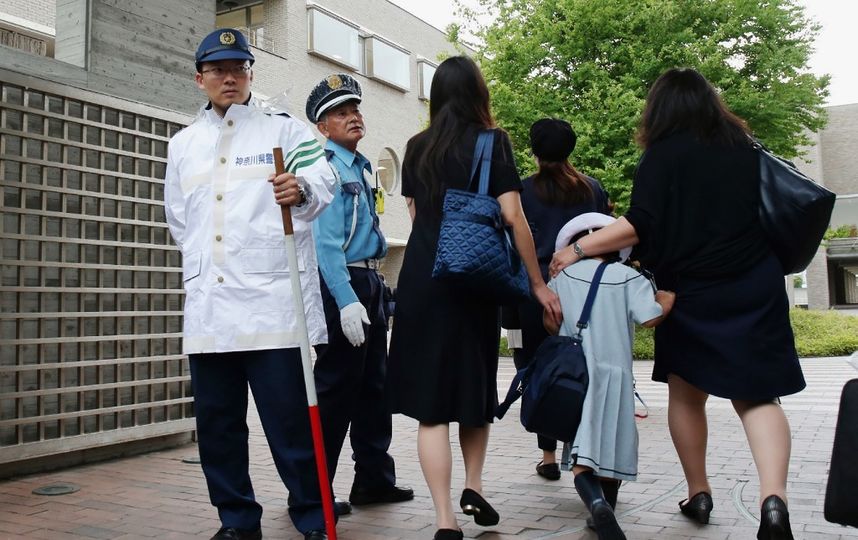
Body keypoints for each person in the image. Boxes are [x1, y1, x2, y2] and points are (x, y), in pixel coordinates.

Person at [549, 67, 806, 540]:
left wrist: (578, 249)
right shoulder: (745, 149)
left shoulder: (663, 155)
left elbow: (640, 223)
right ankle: (774, 502)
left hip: (690, 291)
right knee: (757, 397)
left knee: (687, 395)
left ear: (659, 110)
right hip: (754, 284)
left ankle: (699, 491)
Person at [163, 28, 337, 540]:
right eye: (218, 70)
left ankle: (312, 519)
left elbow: (320, 182)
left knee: (291, 428)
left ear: (250, 75)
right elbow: (181, 222)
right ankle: (237, 522)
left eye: (238, 68)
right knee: (217, 428)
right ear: (200, 79)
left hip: (273, 307)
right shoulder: (183, 145)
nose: (229, 78)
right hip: (210, 308)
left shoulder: (284, 131)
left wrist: (300, 188)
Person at [386, 55, 562, 540]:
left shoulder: (416, 147)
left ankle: (444, 519)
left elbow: (419, 214)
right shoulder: (493, 142)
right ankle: (475, 484)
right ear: (479, 95)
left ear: (437, 96)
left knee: (431, 408)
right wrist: (536, 281)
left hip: (423, 279)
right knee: (472, 388)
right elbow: (513, 217)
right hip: (473, 282)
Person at [303, 74, 413, 515]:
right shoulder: (324, 168)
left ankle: (373, 479)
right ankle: (314, 491)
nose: (353, 118)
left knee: (373, 387)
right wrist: (346, 299)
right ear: (322, 126)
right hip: (340, 285)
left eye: (355, 110)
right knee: (336, 390)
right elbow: (324, 244)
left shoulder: (362, 165)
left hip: (368, 281)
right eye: (340, 113)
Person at [544, 212, 674, 540]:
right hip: (616, 376)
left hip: (577, 375)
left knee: (581, 455)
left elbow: (551, 323)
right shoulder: (629, 278)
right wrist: (666, 301)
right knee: (611, 448)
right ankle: (606, 509)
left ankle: (596, 505)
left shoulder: (563, 277)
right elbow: (649, 318)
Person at [503, 118, 612, 483]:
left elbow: (512, 245)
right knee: (585, 368)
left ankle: (548, 455)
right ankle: (585, 453)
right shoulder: (592, 189)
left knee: (538, 369)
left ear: (533, 150)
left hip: (535, 294)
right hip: (584, 292)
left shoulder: (520, 191)